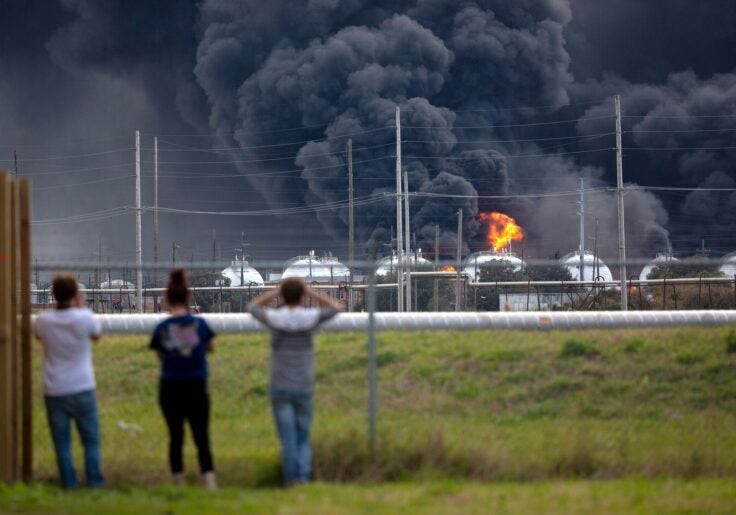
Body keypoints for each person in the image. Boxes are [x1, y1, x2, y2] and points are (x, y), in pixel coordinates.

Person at [247, 278, 340, 486]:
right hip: (303, 387)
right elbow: (336, 308)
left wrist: (275, 292)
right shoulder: (310, 318)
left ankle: (290, 480)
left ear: (283, 295)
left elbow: (252, 308)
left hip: (279, 386)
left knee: (287, 439)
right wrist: (310, 292)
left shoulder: (274, 318)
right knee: (302, 437)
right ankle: (303, 478)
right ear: (301, 296)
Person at [35, 273, 105, 489]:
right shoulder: (85, 317)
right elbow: (96, 336)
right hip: (82, 386)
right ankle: (94, 482)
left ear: (53, 294)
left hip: (55, 389)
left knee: (62, 443)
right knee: (91, 440)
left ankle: (69, 483)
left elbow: (38, 337)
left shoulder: (43, 320)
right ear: (76, 293)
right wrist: (81, 305)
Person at [149, 269, 217, 490]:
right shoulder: (200, 324)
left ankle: (178, 482)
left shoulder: (161, 328)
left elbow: (160, 355)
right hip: (196, 386)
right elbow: (210, 348)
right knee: (201, 437)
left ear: (167, 299)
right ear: (189, 297)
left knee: (175, 437)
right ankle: (209, 481)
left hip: (169, 388)